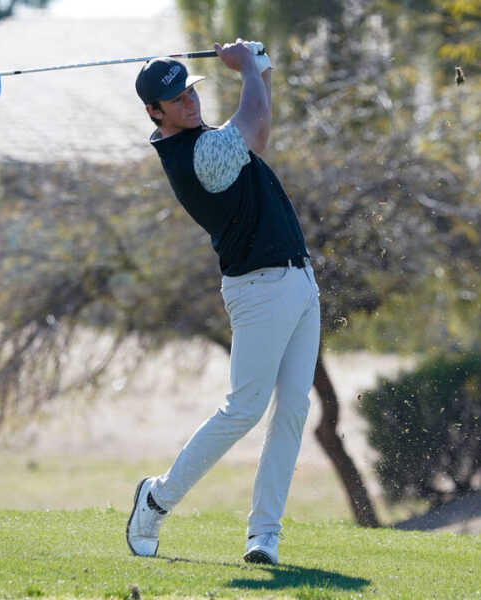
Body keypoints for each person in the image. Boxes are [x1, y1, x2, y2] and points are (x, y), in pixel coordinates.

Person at [126, 39, 321, 566]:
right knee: (245, 408)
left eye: (190, 89)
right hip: (259, 289)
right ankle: (156, 500)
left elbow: (259, 131)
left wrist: (262, 68)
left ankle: (264, 536)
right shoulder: (195, 156)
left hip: (298, 282)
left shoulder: (209, 138)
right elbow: (253, 116)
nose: (189, 100)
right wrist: (246, 69)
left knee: (293, 411)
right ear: (154, 111)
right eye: (176, 97)